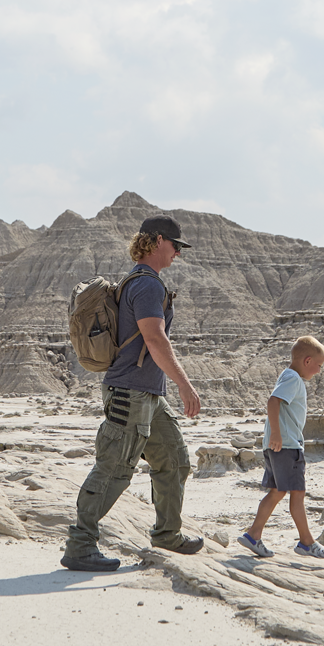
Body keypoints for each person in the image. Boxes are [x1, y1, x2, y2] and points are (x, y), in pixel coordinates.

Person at [60, 215, 207, 572]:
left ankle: (167, 534)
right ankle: (80, 544)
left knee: (174, 460)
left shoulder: (140, 283)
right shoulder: (147, 286)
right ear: (158, 242)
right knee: (114, 468)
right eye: (175, 246)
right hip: (131, 393)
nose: (177, 254)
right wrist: (185, 385)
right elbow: (155, 340)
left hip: (147, 396)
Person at [237, 337, 324, 559]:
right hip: (287, 445)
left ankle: (253, 535)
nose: (319, 370)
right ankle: (306, 543)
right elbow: (273, 402)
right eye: (319, 365)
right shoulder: (293, 379)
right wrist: (278, 434)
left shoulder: (288, 375)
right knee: (297, 493)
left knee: (277, 491)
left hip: (277, 446)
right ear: (308, 360)